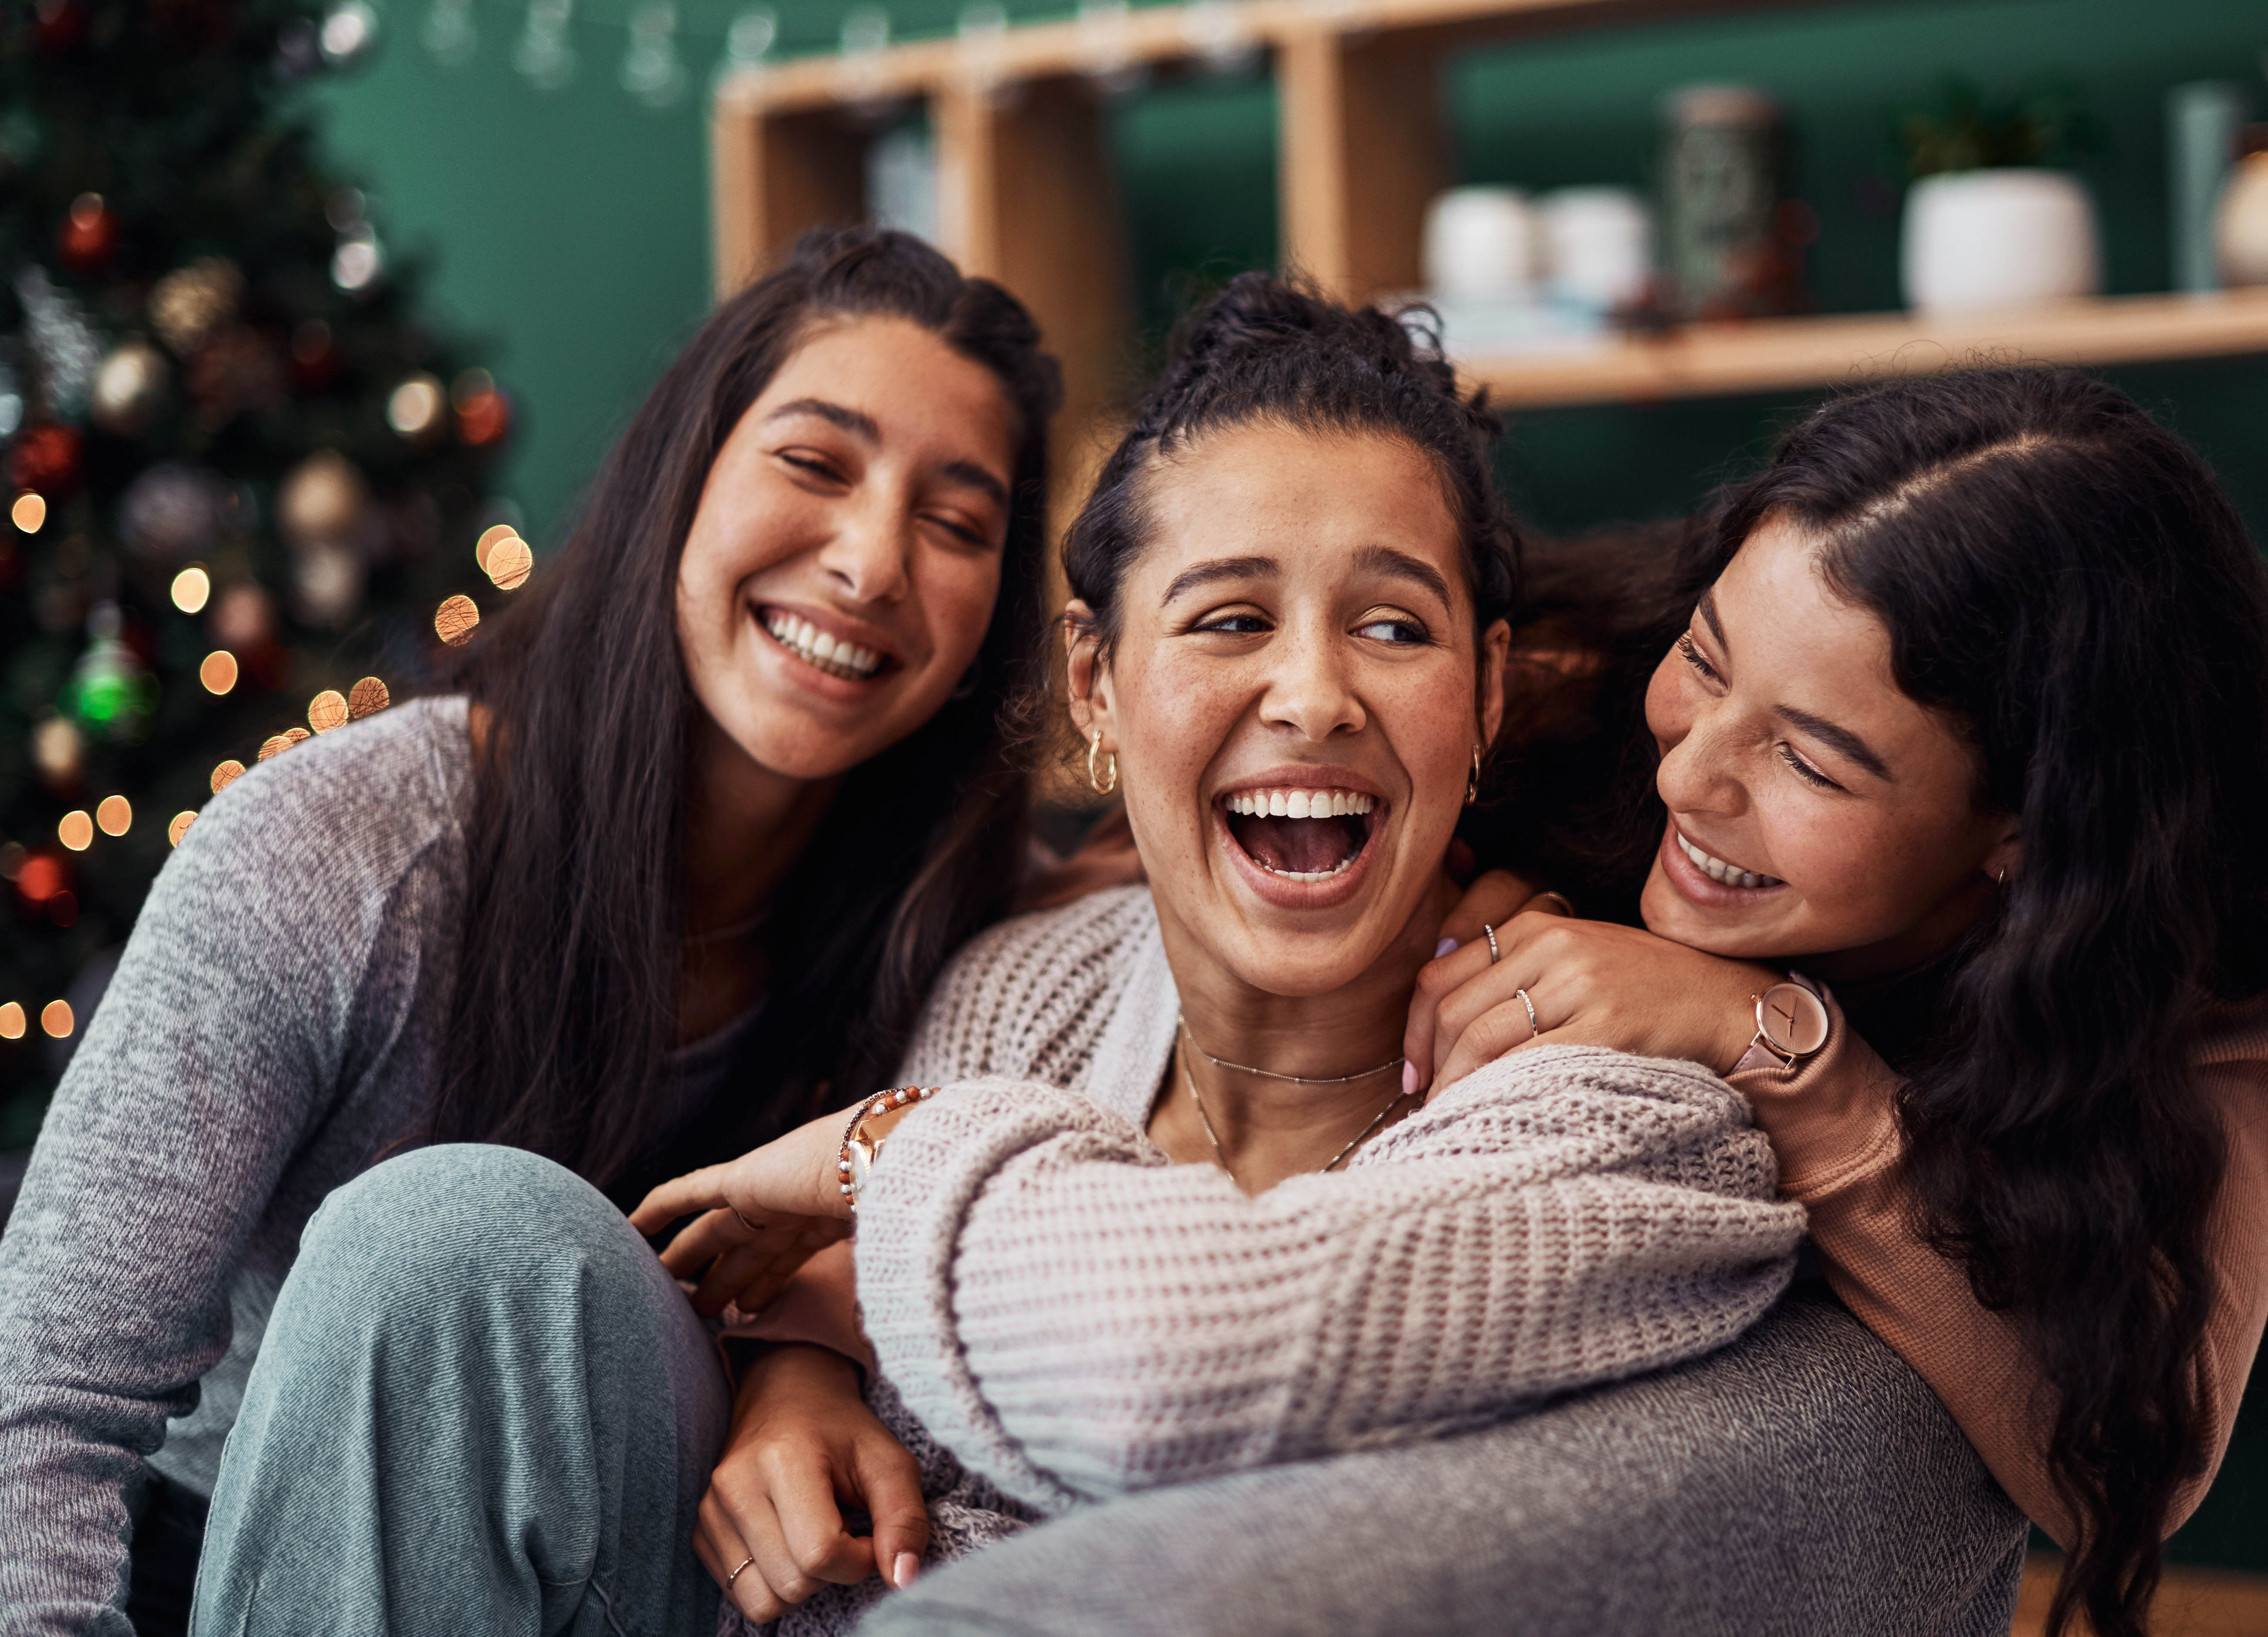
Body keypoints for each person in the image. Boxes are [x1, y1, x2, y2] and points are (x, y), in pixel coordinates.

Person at [680, 367, 2268, 1637]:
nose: (1698, 778)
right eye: (1710, 665)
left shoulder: (2200, 1010)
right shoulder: (1562, 698)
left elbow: (2121, 1457)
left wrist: (1777, 1054)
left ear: (2014, 839)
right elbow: (1170, 858)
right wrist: (796, 1354)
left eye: (1811, 760)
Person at [183, 274, 1806, 1637]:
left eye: (1393, 627)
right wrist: (796, 1367)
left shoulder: (1615, 1097)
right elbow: (839, 1296)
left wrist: (888, 1153)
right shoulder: (1023, 986)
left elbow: (1187, 1356)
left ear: (1492, 691)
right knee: (457, 1226)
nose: (1314, 696)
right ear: (1096, 689)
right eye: (1230, 619)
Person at [0, 225, 1061, 1637]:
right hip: (232, 1572)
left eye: (959, 523)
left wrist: (1467, 908)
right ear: (679, 479)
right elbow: (43, 1401)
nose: (873, 561)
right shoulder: (354, 844)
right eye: (815, 462)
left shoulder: (968, 942)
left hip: (644, 1573)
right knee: (455, 1236)